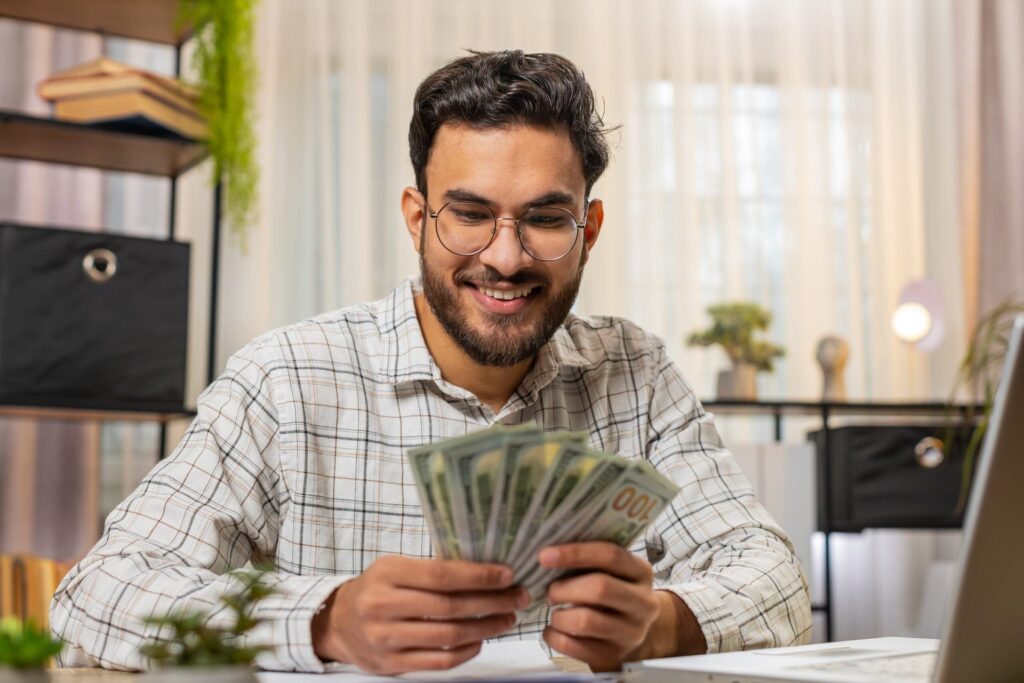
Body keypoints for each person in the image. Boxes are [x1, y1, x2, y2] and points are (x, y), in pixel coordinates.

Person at [50, 50, 811, 674]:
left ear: (590, 227)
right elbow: (96, 593)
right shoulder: (285, 378)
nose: (505, 258)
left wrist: (660, 623)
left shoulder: (636, 373)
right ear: (419, 217)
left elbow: (775, 579)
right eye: (472, 216)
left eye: (545, 219)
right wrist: (326, 621)